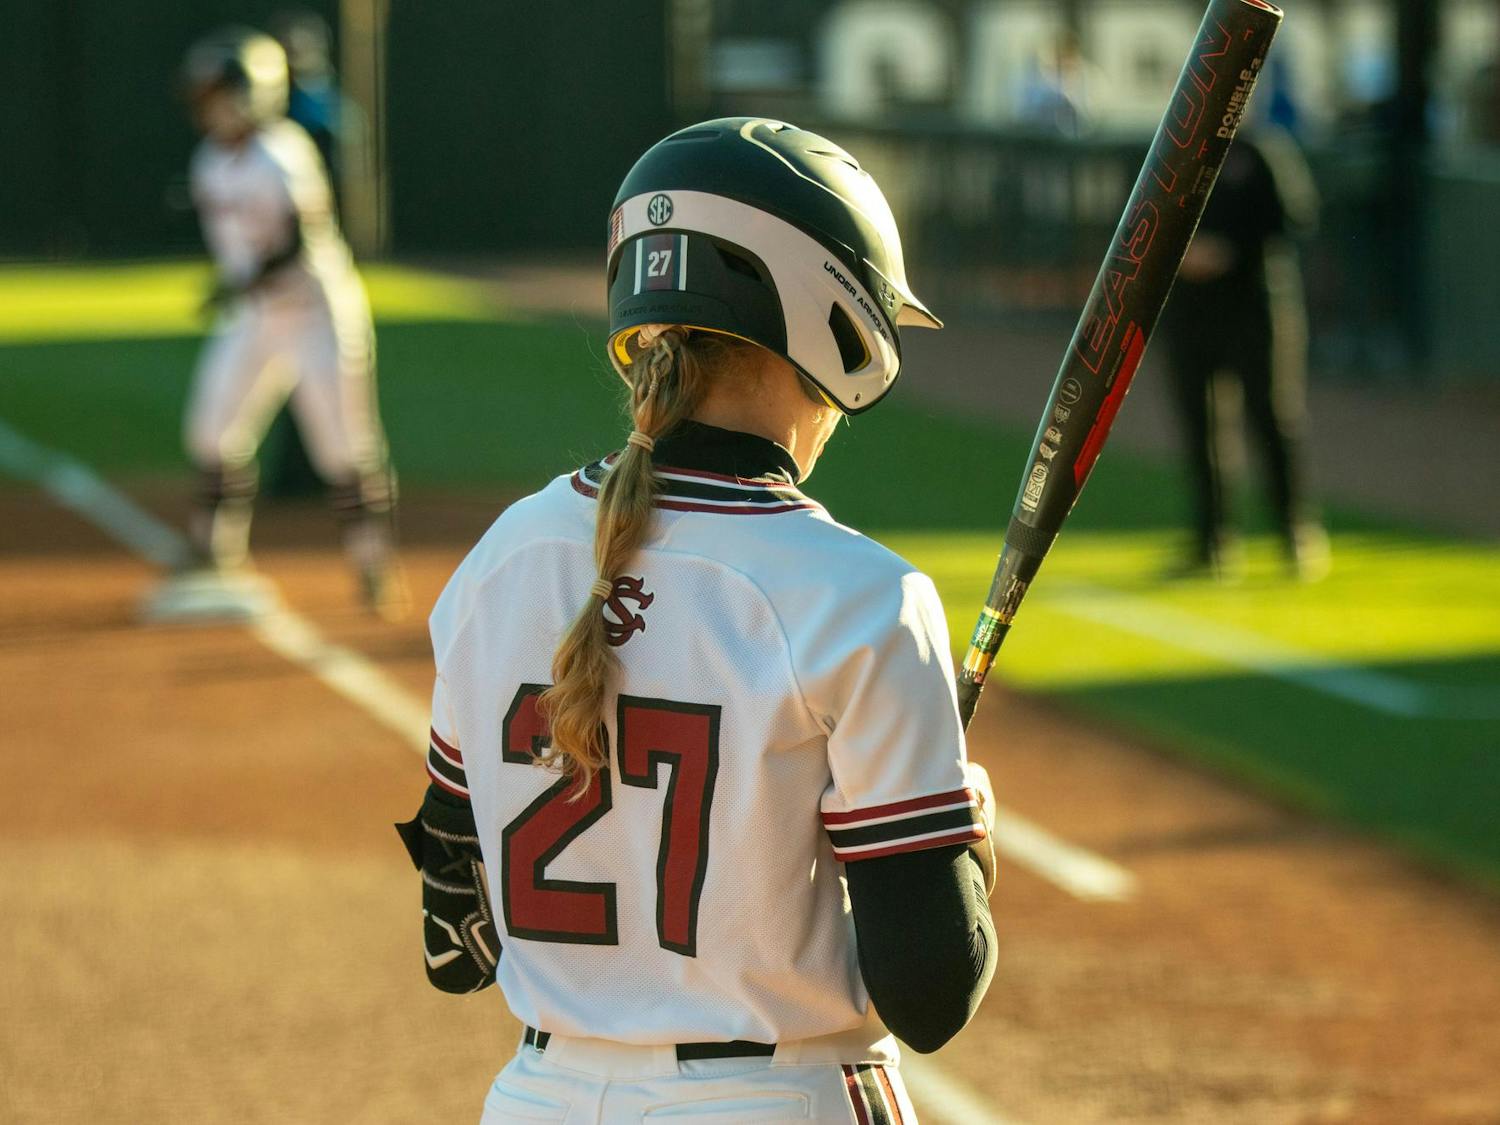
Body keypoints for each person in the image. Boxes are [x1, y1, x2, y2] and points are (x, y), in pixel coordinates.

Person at [397, 118, 998, 1123]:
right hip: (774, 1098)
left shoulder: (500, 558)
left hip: (537, 1100)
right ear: (828, 316)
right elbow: (932, 994)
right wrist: (967, 836)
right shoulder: (861, 596)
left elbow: (451, 943)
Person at [152, 28, 400, 618]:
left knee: (344, 449)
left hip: (316, 315)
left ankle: (372, 564)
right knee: (212, 430)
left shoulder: (282, 152)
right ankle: (214, 549)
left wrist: (237, 282)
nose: (208, 105)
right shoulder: (210, 159)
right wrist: (239, 287)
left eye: (218, 92)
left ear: (250, 92)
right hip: (256, 317)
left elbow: (295, 242)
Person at [1159, 126, 1328, 580]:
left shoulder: (1260, 151)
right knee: (1201, 429)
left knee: (1272, 421)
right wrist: (1181, 253)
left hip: (1254, 310)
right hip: (1190, 315)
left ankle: (1295, 532)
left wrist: (1229, 251)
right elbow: (1143, 221)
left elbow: (1295, 217)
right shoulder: (1172, 151)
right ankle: (1212, 542)